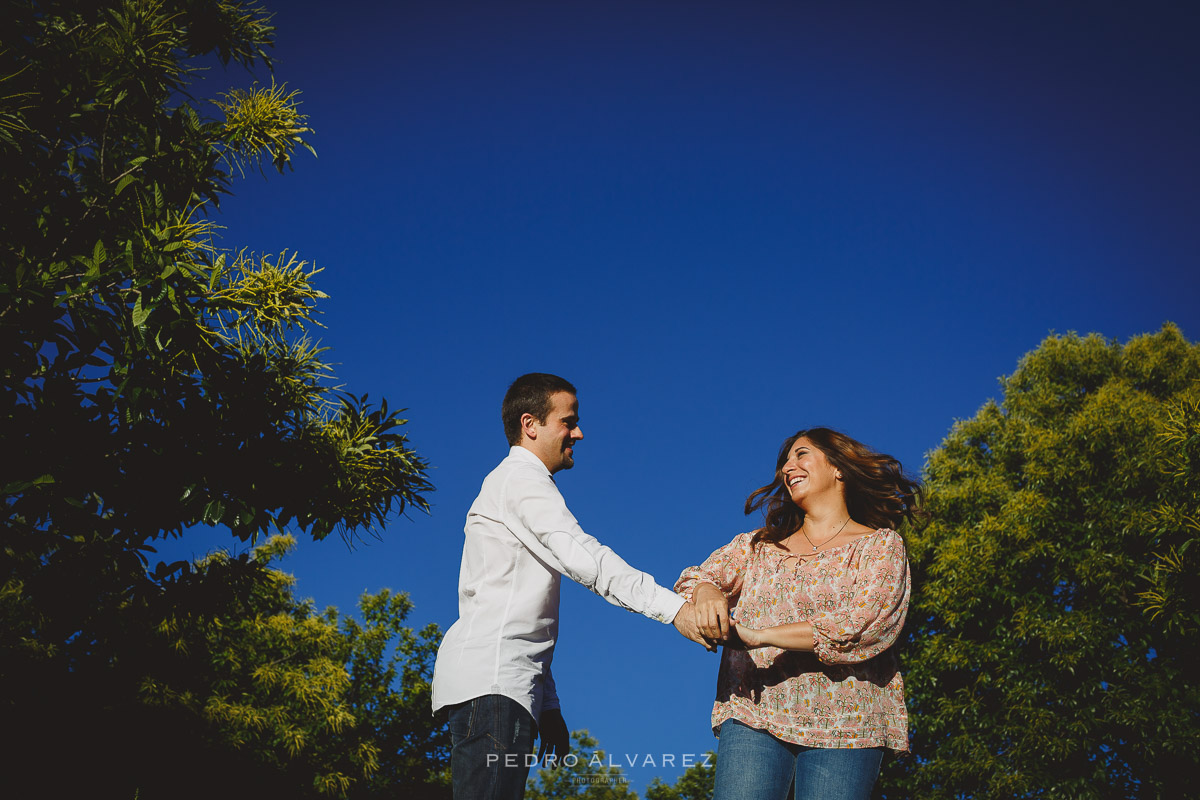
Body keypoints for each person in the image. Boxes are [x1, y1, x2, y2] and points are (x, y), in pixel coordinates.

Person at [432, 373, 709, 800]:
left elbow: (519, 612)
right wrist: (673, 608)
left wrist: (548, 705)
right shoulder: (521, 480)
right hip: (493, 685)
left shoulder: (515, 485)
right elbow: (584, 556)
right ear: (531, 425)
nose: (578, 432)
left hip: (504, 685)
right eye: (568, 421)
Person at [675, 427, 924, 800]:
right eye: (785, 462)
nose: (788, 467)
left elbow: (863, 626)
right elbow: (696, 579)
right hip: (753, 712)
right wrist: (709, 592)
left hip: (848, 721)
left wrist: (760, 636)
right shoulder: (757, 547)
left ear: (838, 468)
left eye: (801, 455)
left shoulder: (879, 546)